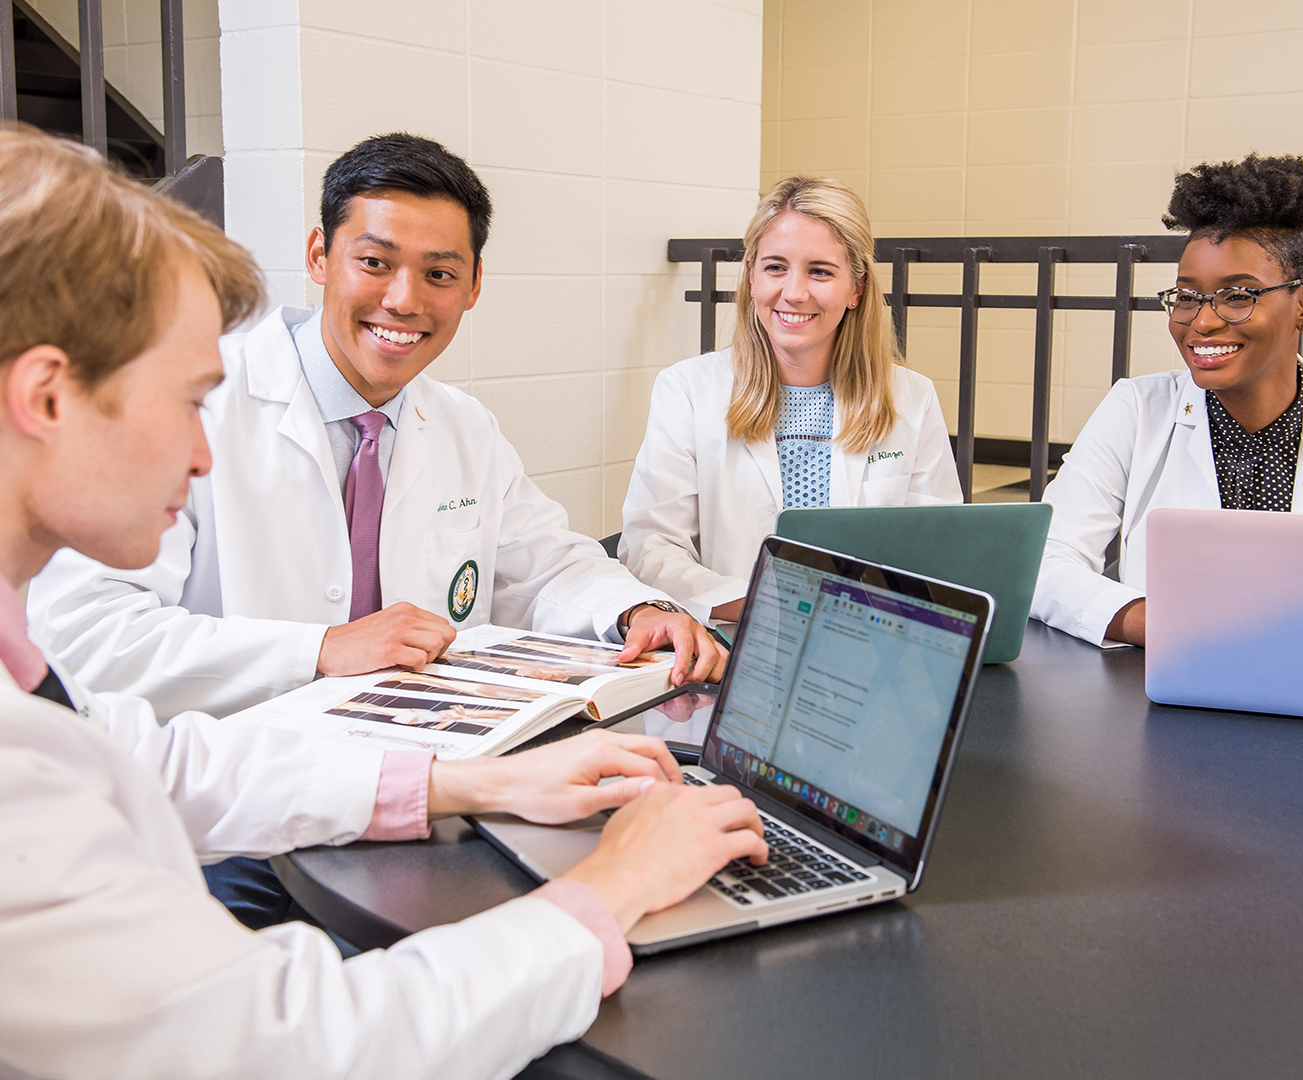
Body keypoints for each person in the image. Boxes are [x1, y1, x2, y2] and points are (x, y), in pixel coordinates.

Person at [0, 126, 766, 1080]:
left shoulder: (460, 424)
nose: (203, 452)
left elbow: (153, 759)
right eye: (191, 399)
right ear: (44, 396)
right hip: (262, 869)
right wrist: (612, 888)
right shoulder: (19, 778)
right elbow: (294, 1041)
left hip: (366, 794)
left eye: (440, 273)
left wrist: (473, 781)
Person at [1030, 153, 1303, 647]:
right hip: (1163, 684)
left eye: (1238, 295)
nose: (1202, 322)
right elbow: (1046, 560)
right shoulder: (1137, 408)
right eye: (1186, 296)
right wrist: (1165, 626)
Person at [618, 175, 962, 625]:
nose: (794, 292)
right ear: (751, 275)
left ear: (856, 288)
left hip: (870, 642)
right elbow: (650, 549)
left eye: (819, 271)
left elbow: (942, 550)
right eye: (775, 267)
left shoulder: (911, 396)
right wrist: (763, 605)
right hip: (733, 637)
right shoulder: (687, 390)